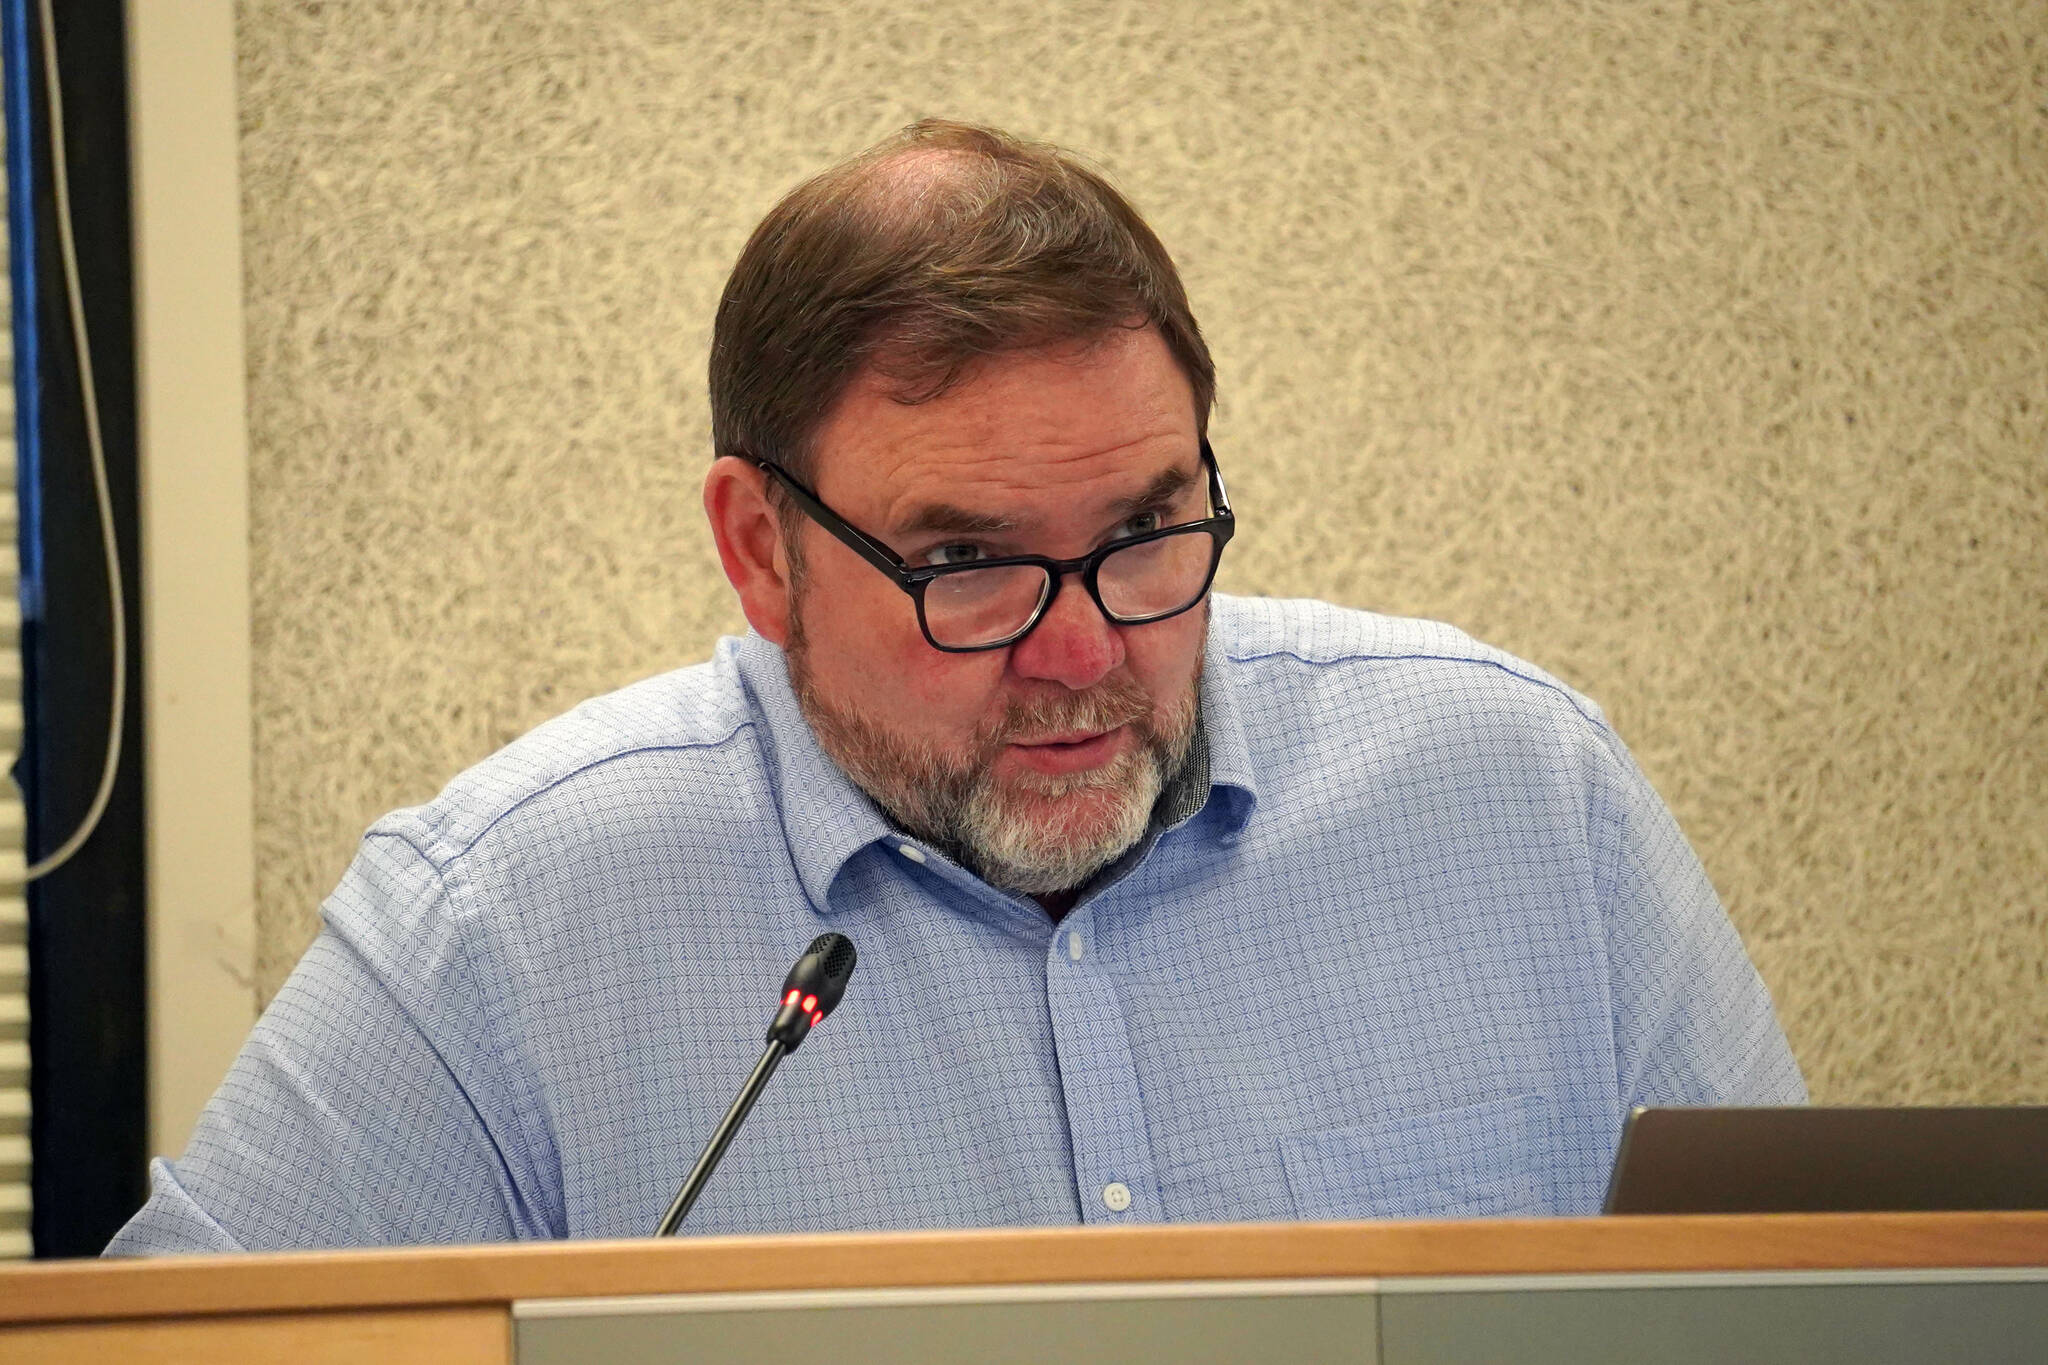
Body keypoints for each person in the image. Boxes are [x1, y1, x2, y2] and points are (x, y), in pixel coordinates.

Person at [109, 119, 1801, 1254]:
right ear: (761, 550)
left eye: (1148, 532)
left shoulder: (1517, 799)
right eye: (966, 564)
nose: (1083, 655)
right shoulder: (507, 926)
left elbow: (1838, 1316)